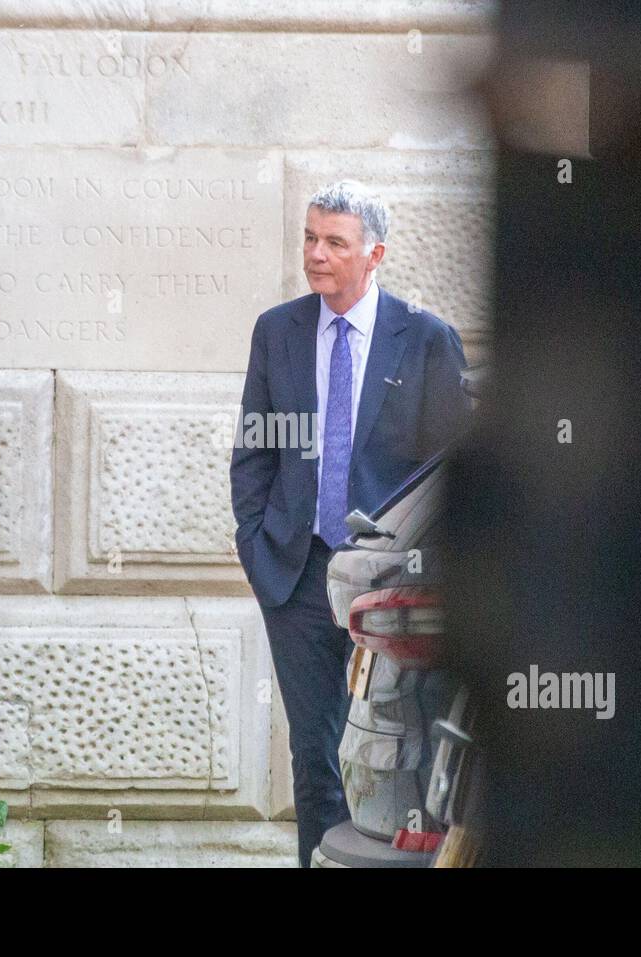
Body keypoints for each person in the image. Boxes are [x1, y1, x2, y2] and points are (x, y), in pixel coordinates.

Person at [230, 180, 472, 867]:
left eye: (335, 241)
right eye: (310, 237)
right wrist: (257, 542)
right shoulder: (277, 331)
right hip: (298, 573)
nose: (316, 253)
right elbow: (253, 451)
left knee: (401, 755)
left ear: (374, 254)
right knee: (315, 754)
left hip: (389, 586)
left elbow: (457, 469)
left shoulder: (425, 338)